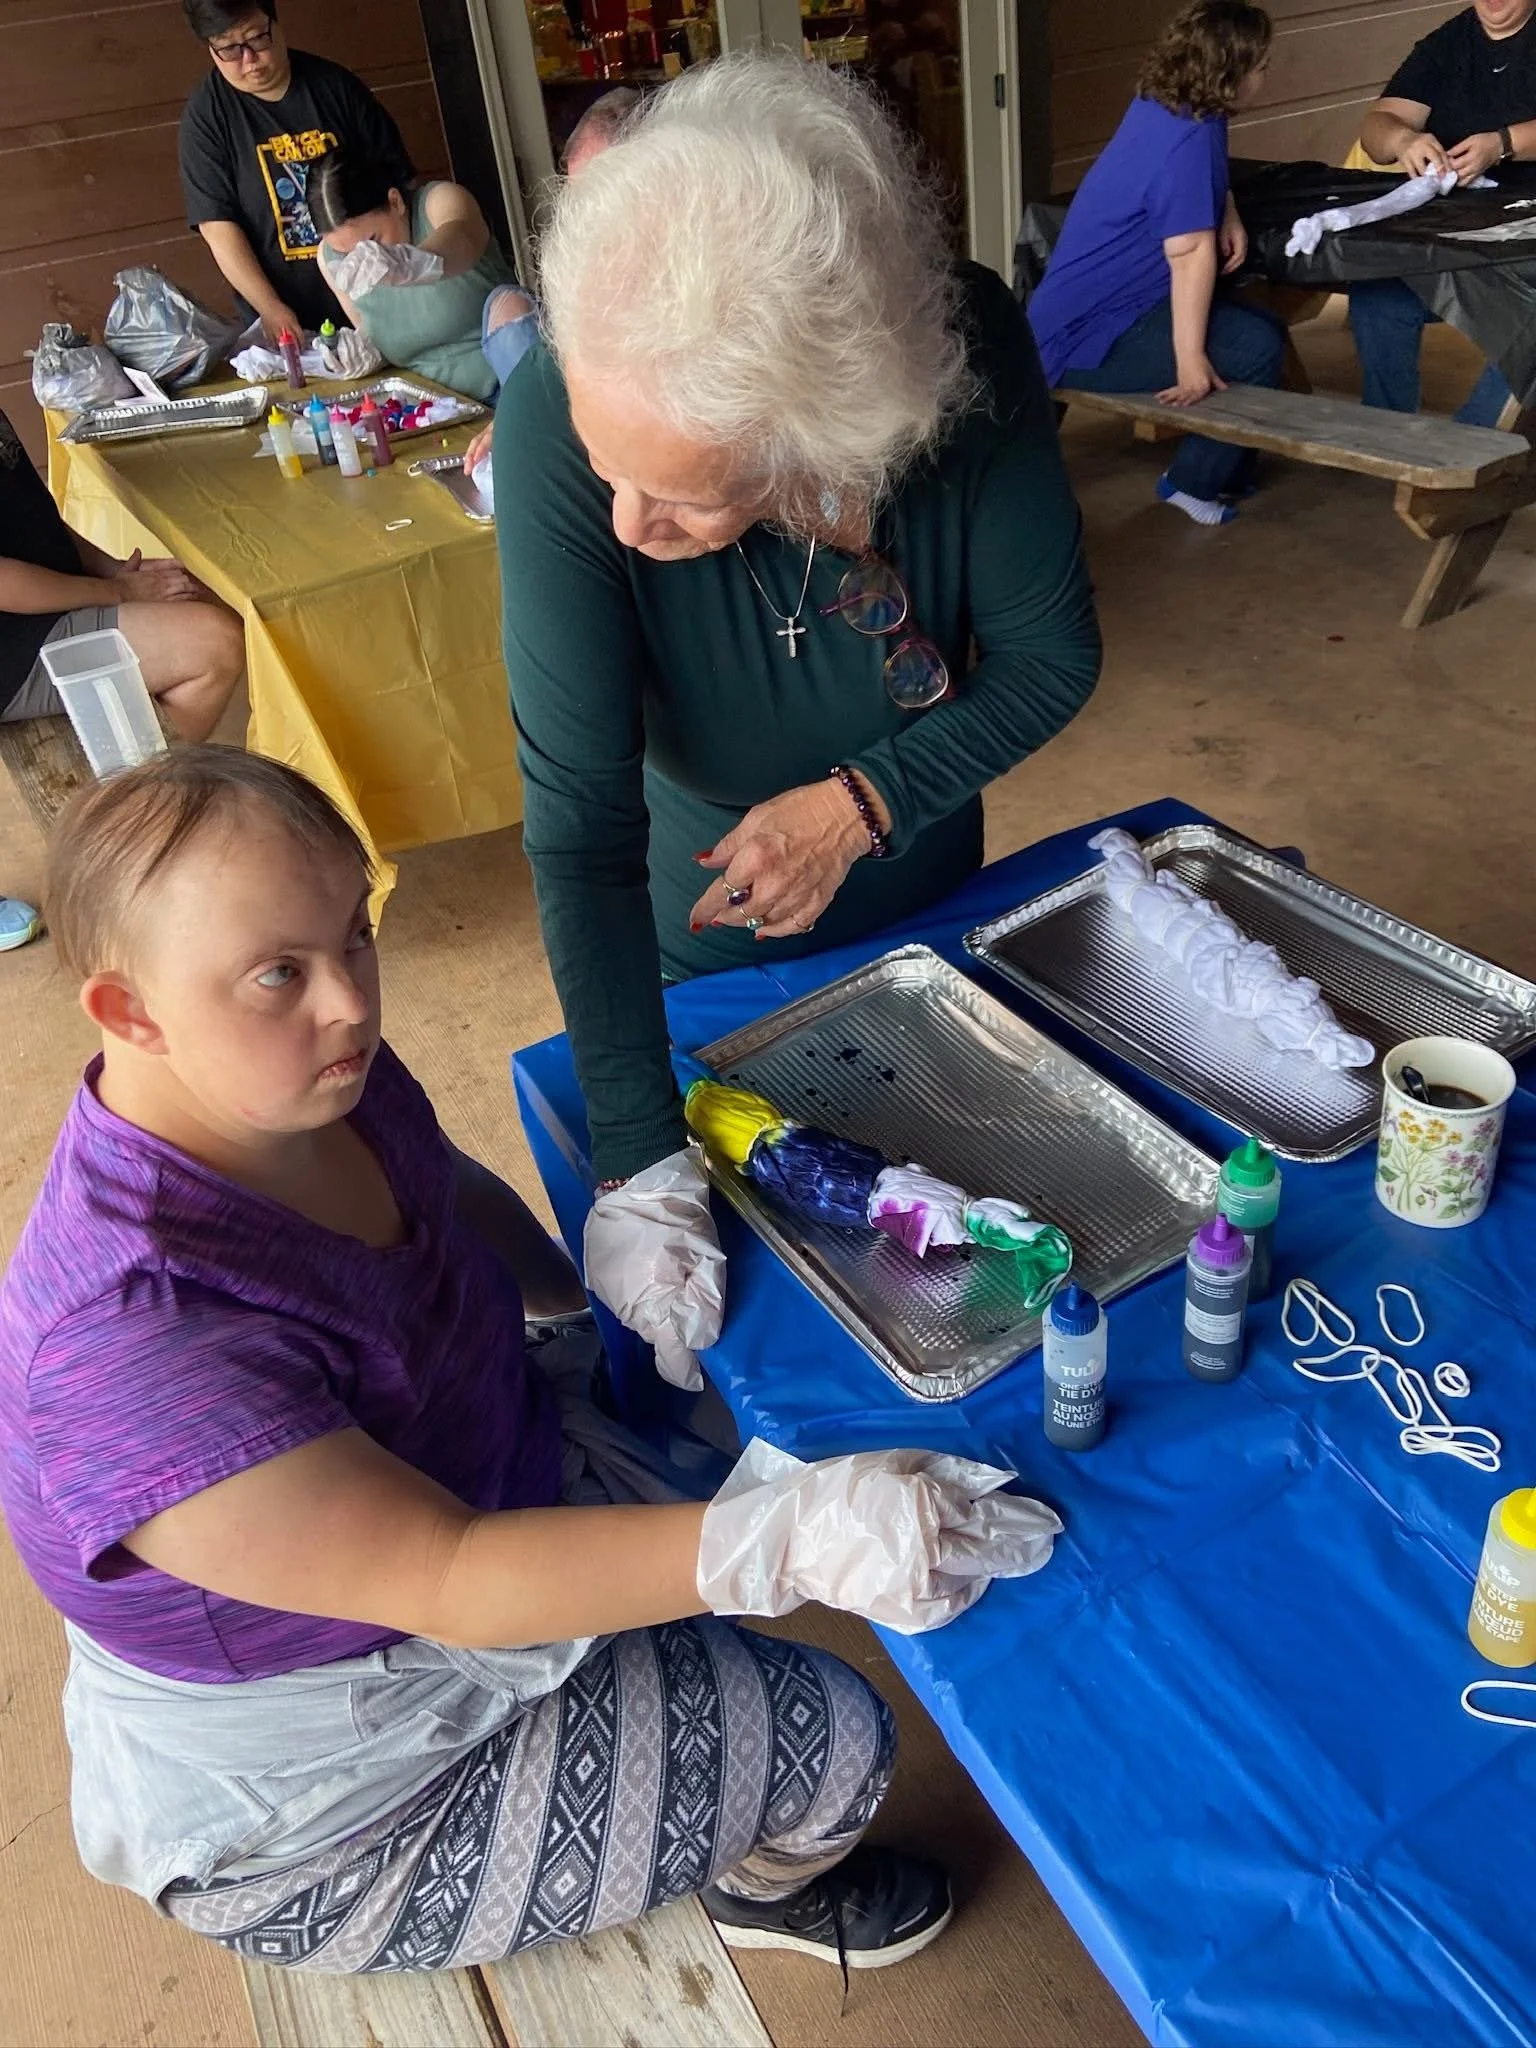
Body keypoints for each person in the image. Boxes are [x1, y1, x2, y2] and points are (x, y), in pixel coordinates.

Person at [0, 745, 1027, 1975]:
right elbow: (446, 1572)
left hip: (457, 1481)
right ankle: (771, 1880)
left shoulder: (299, 1080)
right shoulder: (132, 1351)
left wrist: (578, 1293)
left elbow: (438, 1185)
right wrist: (789, 1538)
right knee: (836, 1734)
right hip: (337, 1777)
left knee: (753, 1451)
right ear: (128, 1011)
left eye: (354, 935)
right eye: (279, 972)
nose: (350, 1003)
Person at [495, 54, 1100, 1386]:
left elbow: (1052, 662)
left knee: (987, 1286)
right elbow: (581, 829)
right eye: (612, 472)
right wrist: (638, 1152)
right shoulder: (555, 410)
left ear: (821, 447)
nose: (626, 527)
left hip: (931, 898)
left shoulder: (966, 356)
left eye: (682, 501)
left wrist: (865, 807)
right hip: (698, 944)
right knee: (775, 1347)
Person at [1028, 0, 1282, 528]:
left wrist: (1225, 206)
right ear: (1229, 75)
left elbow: (1198, 177)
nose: (1266, 74)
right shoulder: (1185, 139)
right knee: (1258, 349)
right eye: (1259, 66)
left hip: (1102, 305)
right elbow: (1190, 256)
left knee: (1262, 325)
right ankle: (1192, 485)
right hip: (1088, 332)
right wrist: (1189, 359)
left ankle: (1228, 466)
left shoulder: (1173, 102)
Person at [178, 0, 414, 343]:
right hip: (288, 322)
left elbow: (399, 188)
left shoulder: (336, 88)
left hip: (378, 301)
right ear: (210, 48)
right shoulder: (207, 118)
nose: (249, 59)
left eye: (258, 38)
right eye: (229, 48)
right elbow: (218, 227)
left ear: (275, 22)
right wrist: (269, 307)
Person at [0, 410, 241, 742]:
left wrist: (107, 566)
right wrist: (116, 591)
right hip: (12, 644)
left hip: (37, 600)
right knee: (215, 643)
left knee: (207, 590)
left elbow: (29, 516)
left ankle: (143, 761)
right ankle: (137, 791)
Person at [1349, 0, 1535, 425]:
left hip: (1526, 235)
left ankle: (1469, 441)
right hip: (1455, 231)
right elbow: (1378, 124)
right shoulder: (1447, 43)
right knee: (1378, 295)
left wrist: (1504, 144)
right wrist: (1402, 141)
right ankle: (1389, 430)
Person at [310, 150, 534, 405]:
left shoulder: (439, 202)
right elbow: (382, 338)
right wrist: (361, 354)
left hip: (508, 389)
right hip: (429, 408)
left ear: (395, 202)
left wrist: (411, 262)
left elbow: (463, 239)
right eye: (344, 252)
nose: (361, 260)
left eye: (372, 242)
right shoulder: (330, 260)